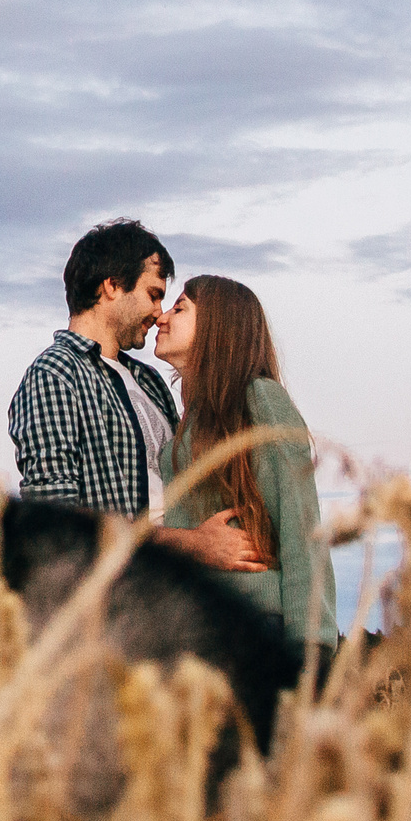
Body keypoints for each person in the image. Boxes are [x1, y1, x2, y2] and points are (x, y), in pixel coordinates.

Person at [8, 220, 263, 571]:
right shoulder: (55, 374)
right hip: (119, 605)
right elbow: (55, 521)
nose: (159, 313)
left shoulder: (150, 381)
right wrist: (193, 545)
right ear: (112, 286)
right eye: (153, 295)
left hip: (183, 593)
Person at [152, 274, 338, 663]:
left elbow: (300, 520)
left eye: (180, 307)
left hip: (254, 629)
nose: (161, 317)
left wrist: (313, 645)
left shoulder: (259, 399)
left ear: (219, 326)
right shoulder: (186, 429)